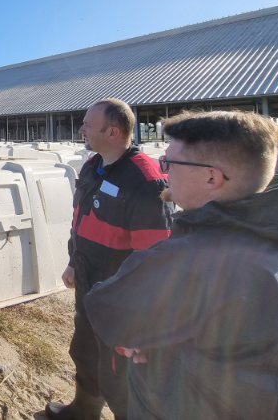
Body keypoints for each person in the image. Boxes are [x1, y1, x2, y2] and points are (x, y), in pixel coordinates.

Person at [85, 111, 278, 419]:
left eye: (170, 163)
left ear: (212, 177)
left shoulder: (185, 260)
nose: (163, 170)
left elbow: (107, 312)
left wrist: (148, 341)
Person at [47, 98, 174, 420]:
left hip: (122, 295)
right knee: (85, 351)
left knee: (119, 370)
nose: (82, 129)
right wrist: (74, 262)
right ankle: (83, 410)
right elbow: (81, 221)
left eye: (88, 124)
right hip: (90, 281)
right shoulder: (93, 165)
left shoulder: (146, 180)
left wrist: (145, 321)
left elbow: (156, 258)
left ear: (113, 131)